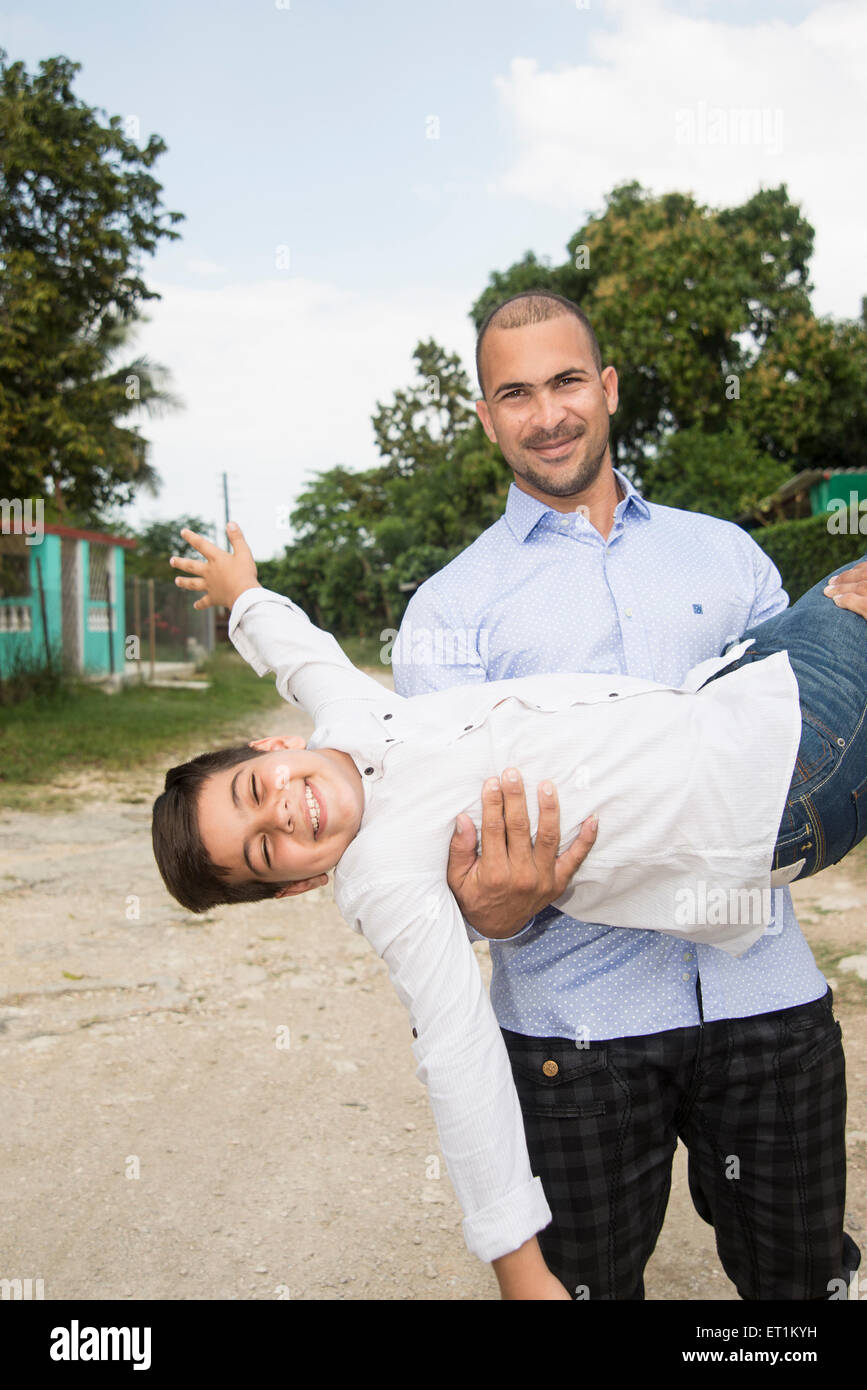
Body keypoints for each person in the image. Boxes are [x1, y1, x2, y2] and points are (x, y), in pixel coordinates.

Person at [154, 517, 867, 1299]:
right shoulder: (389, 882)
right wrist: (518, 1265)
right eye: (265, 850)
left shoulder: (349, 721)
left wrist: (240, 595)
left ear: (270, 749)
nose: (281, 816)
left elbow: (304, 656)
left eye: (255, 793)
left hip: (738, 697)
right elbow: (458, 1056)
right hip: (783, 774)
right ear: (297, 886)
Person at [393, 289, 865, 1301]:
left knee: (801, 1294)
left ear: (606, 388)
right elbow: (448, 852)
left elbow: (795, 736)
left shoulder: (728, 553)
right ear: (485, 416)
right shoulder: (449, 610)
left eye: (566, 381)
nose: (548, 413)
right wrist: (490, 909)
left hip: (768, 1001)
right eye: (515, 393)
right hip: (575, 1031)